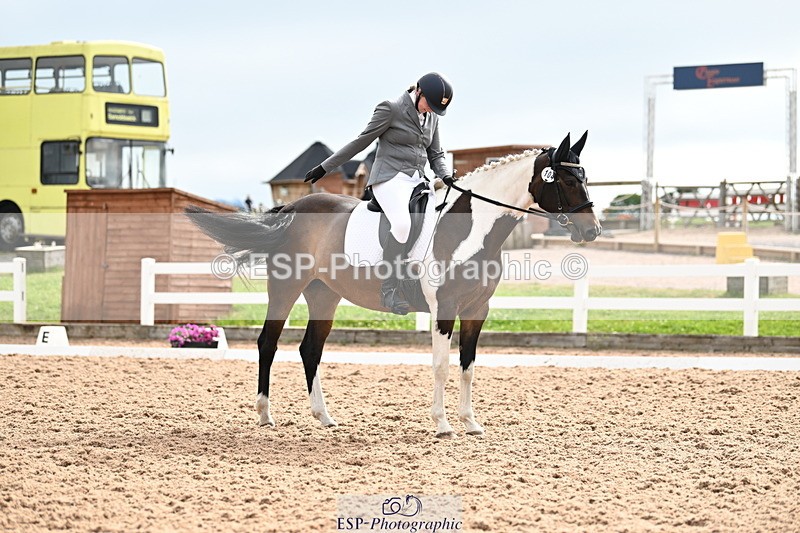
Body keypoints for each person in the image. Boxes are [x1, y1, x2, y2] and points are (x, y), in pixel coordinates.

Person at [305, 72, 454, 314]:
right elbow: (361, 141)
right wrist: (326, 166)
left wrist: (445, 174)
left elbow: (435, 153)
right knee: (402, 225)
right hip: (389, 179)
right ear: (419, 92)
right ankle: (389, 288)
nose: (432, 111)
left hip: (417, 181)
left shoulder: (432, 117)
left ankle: (417, 280)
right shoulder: (391, 109)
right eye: (430, 104)